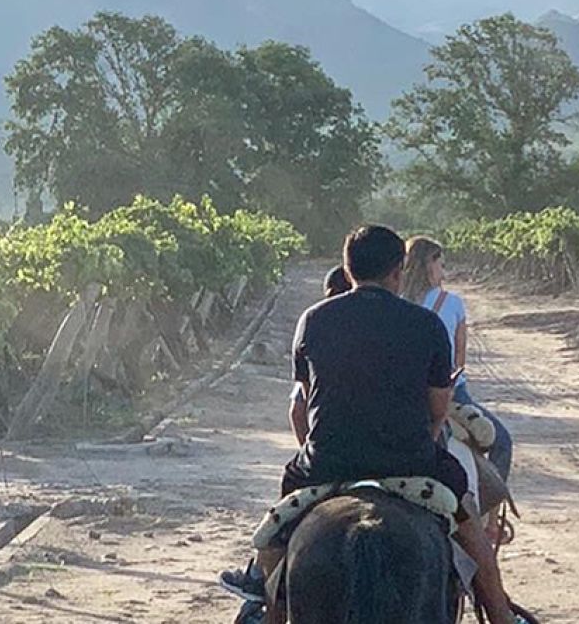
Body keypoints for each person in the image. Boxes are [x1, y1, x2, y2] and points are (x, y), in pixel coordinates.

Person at [220, 226, 521, 624]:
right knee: (470, 529)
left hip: (327, 463)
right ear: (398, 272)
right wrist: (422, 442)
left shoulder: (313, 320)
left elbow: (302, 406)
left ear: (348, 269)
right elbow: (438, 406)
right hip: (410, 462)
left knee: (280, 524)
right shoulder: (425, 324)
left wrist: (317, 446)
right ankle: (501, 616)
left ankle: (262, 592)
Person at [404, 236, 514, 481]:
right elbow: (459, 362)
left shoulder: (397, 303)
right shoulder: (452, 303)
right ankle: (491, 519)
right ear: (430, 265)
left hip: (407, 393)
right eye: (441, 265)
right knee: (502, 442)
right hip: (451, 394)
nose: (443, 272)